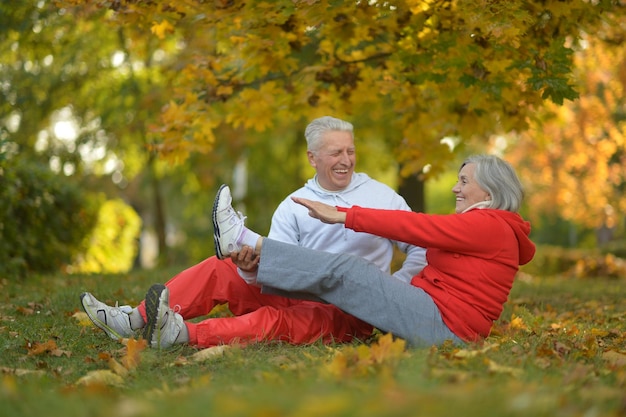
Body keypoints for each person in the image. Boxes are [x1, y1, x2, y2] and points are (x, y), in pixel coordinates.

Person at [80, 116, 426, 349]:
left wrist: (398, 287)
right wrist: (249, 267)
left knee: (276, 319)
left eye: (351, 151)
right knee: (223, 268)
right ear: (312, 157)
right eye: (336, 152)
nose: (346, 160)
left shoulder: (381, 196)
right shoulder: (293, 204)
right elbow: (281, 272)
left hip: (353, 310)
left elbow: (420, 249)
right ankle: (135, 320)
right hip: (303, 292)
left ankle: (183, 333)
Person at [197, 154, 536, 347]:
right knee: (344, 286)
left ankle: (244, 239)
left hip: (447, 329)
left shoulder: (492, 225)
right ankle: (172, 323)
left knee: (350, 272)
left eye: (463, 181)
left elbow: (418, 228)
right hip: (434, 316)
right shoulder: (490, 225)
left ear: (490, 188)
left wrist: (345, 215)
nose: (454, 187)